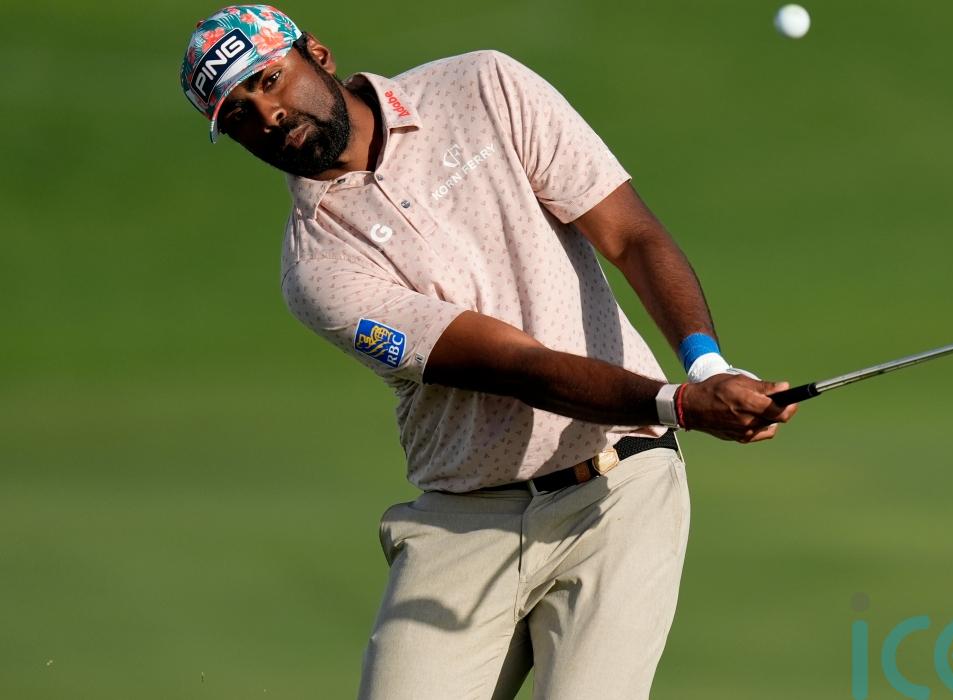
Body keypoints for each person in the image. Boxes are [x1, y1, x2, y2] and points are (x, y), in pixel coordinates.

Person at [179, 5, 797, 698]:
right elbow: (517, 367)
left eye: (269, 80)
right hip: (466, 519)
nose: (267, 114)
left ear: (316, 54)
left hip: (620, 488)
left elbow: (630, 235)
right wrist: (679, 403)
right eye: (238, 114)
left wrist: (708, 367)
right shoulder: (318, 269)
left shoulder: (482, 86)